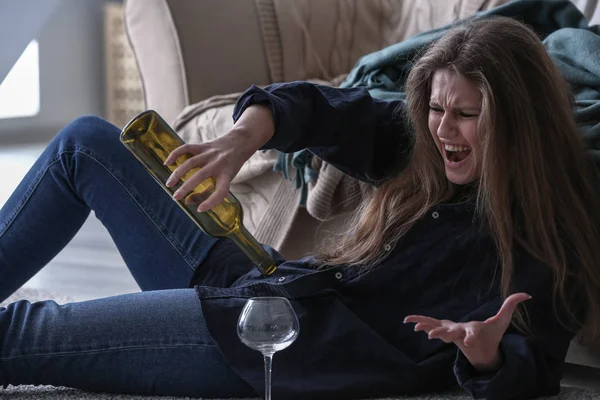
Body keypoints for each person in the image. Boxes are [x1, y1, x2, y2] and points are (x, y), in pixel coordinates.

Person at [0, 15, 599, 400]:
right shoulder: (426, 144)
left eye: (467, 114)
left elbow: (533, 366)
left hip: (278, 346)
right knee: (86, 143)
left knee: (27, 333)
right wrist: (239, 141)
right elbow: (324, 108)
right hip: (263, 283)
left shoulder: (548, 233)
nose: (444, 129)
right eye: (438, 109)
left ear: (518, 119)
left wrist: (486, 353)